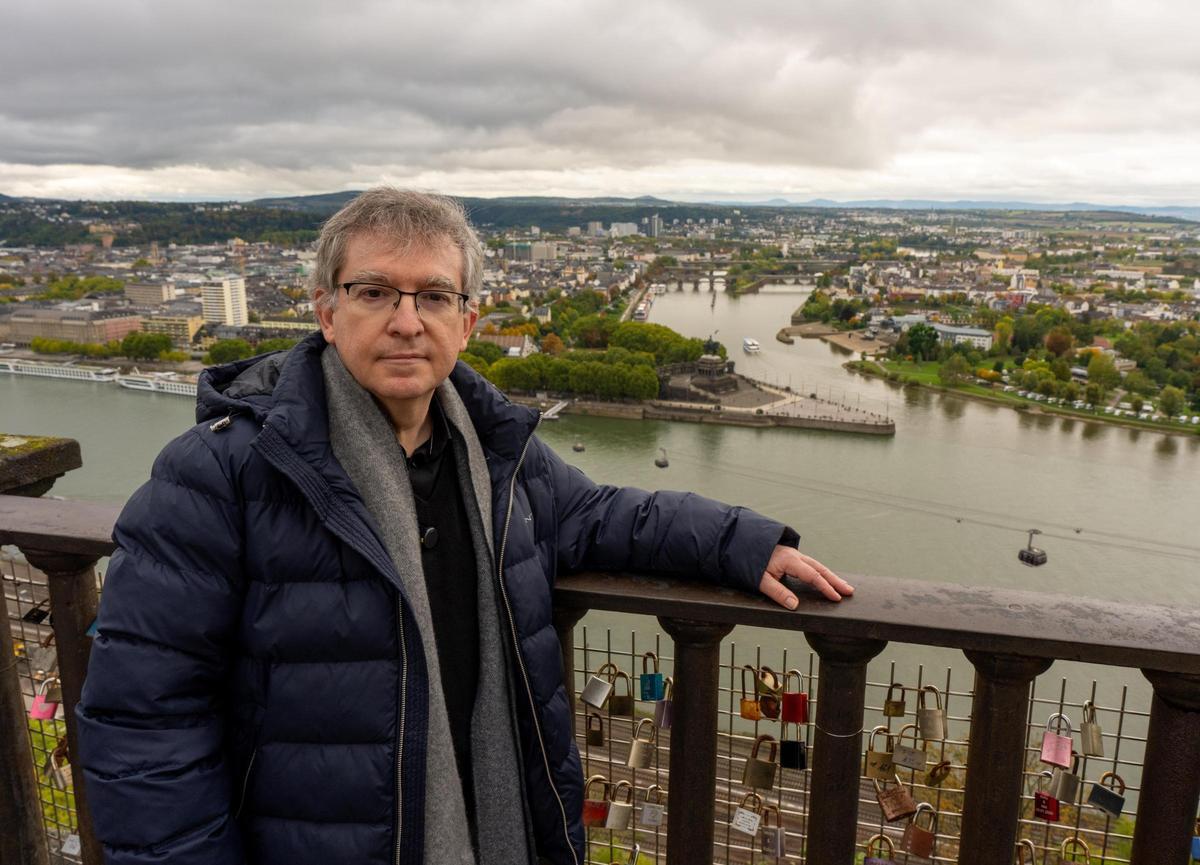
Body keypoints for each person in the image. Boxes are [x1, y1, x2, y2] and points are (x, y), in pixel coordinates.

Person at [77, 188, 853, 865]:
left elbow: (600, 513)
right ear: (326, 310)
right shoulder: (218, 473)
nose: (406, 321)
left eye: (433, 296)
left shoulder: (495, 452)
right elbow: (142, 723)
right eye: (375, 292)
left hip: (490, 829)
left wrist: (741, 543)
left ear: (468, 320)